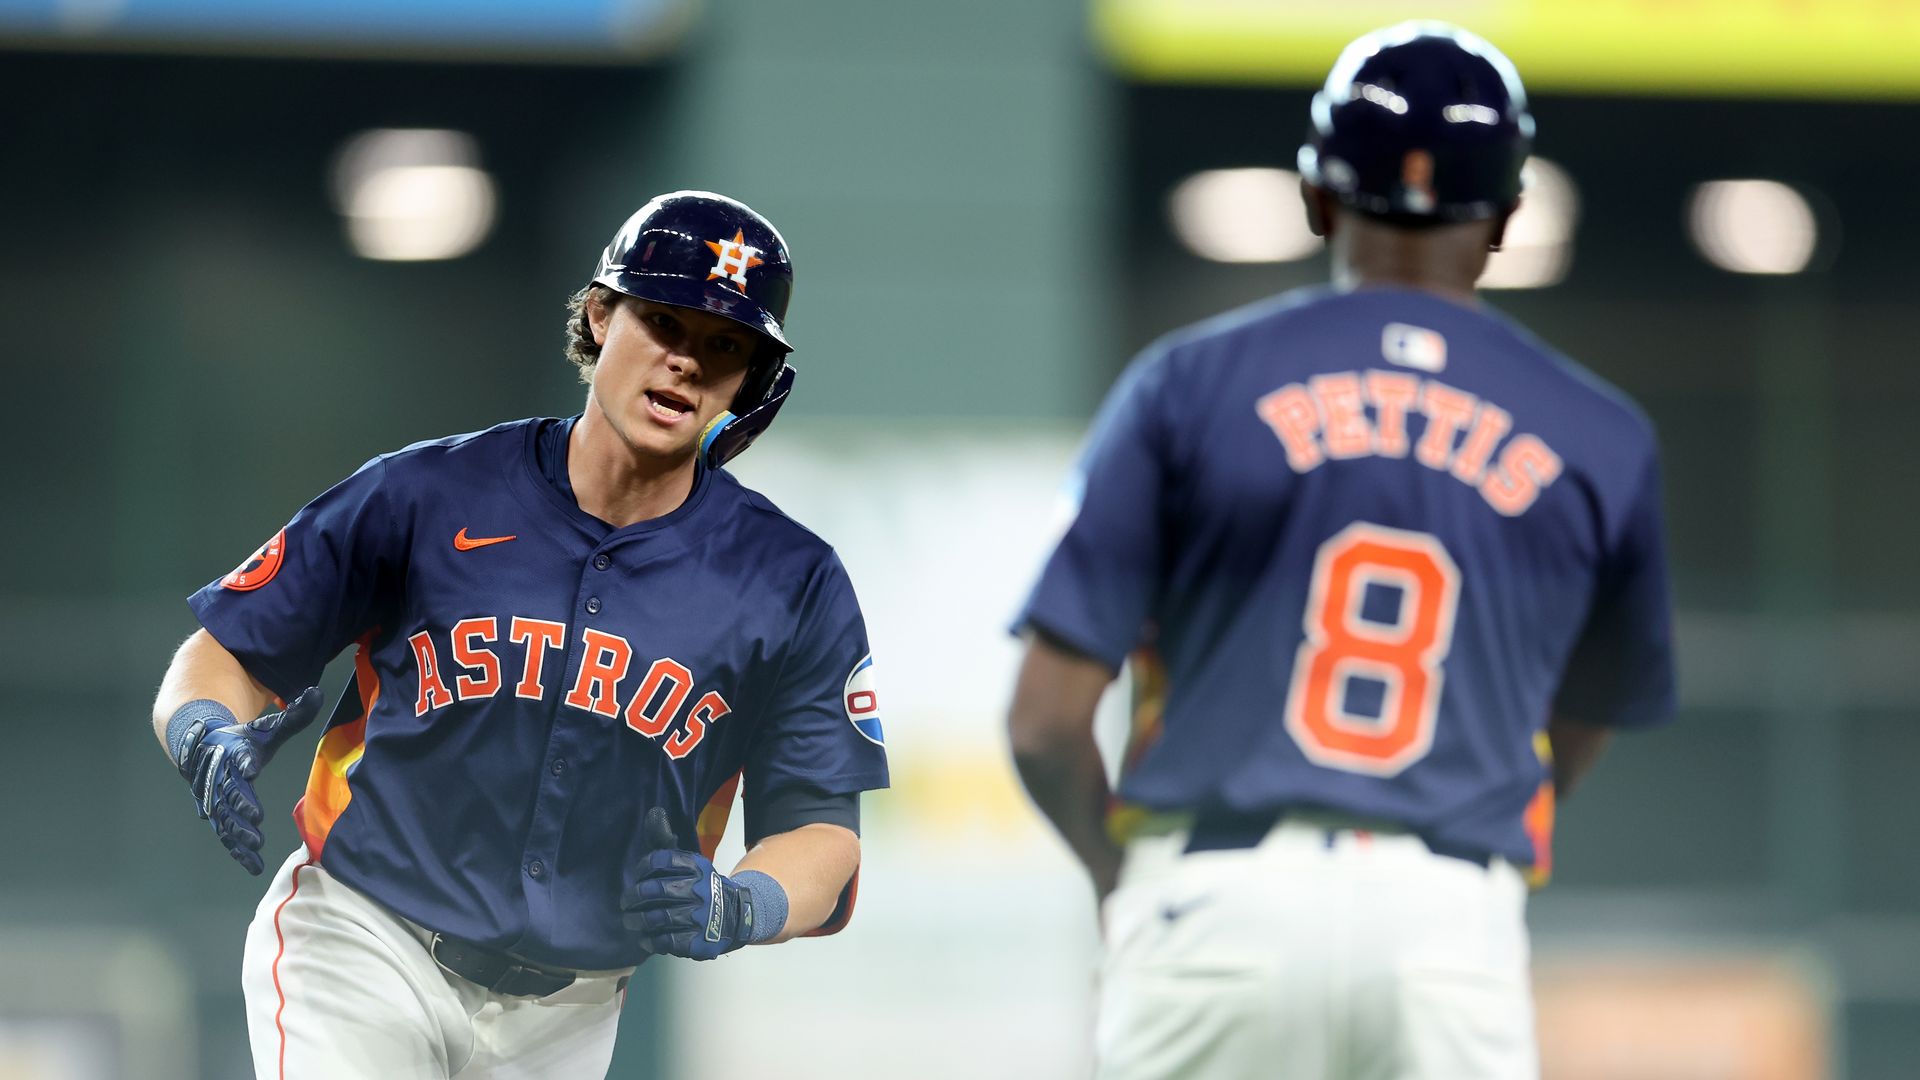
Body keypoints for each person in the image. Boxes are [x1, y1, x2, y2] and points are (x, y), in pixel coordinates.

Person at [1007, 22, 1675, 1080]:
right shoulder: (1602, 433)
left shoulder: (1188, 383)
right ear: (1506, 216)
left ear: (1317, 194)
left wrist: (1117, 876)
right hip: (1451, 921)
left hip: (1218, 898)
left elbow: (1044, 722)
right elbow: (1586, 717)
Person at [150, 190, 890, 1079]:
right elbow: (225, 654)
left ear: (751, 381)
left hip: (572, 1013)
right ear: (599, 314)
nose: (687, 361)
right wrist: (204, 732)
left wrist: (741, 905)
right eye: (664, 321)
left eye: (725, 345)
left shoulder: (790, 580)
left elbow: (823, 832)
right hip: (364, 946)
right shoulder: (428, 494)